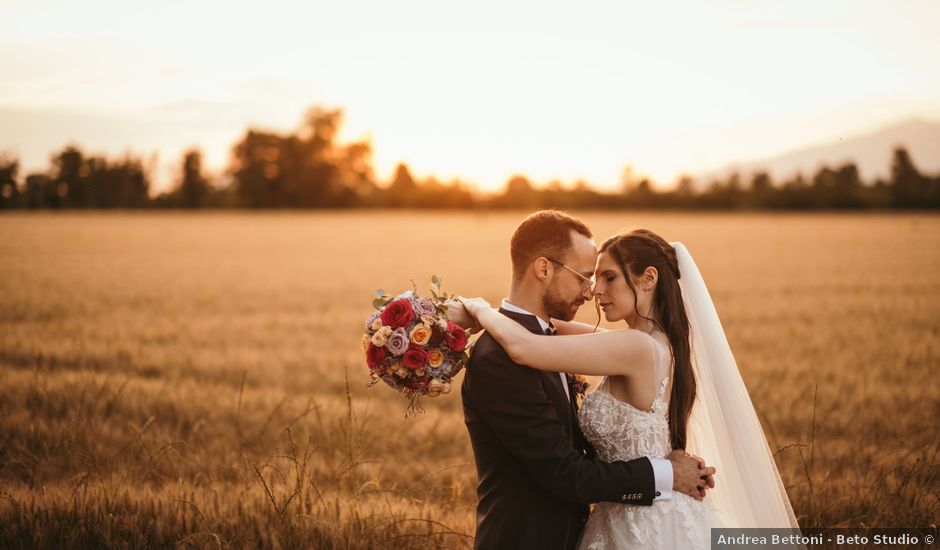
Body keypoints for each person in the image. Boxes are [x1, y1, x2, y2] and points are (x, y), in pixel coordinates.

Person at [452, 211, 715, 550]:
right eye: (586, 277)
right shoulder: (500, 358)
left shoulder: (630, 346)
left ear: (649, 279)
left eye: (607, 278)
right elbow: (564, 470)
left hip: (642, 527)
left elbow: (529, 343)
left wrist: (479, 310)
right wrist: (667, 474)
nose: (593, 292)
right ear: (544, 269)